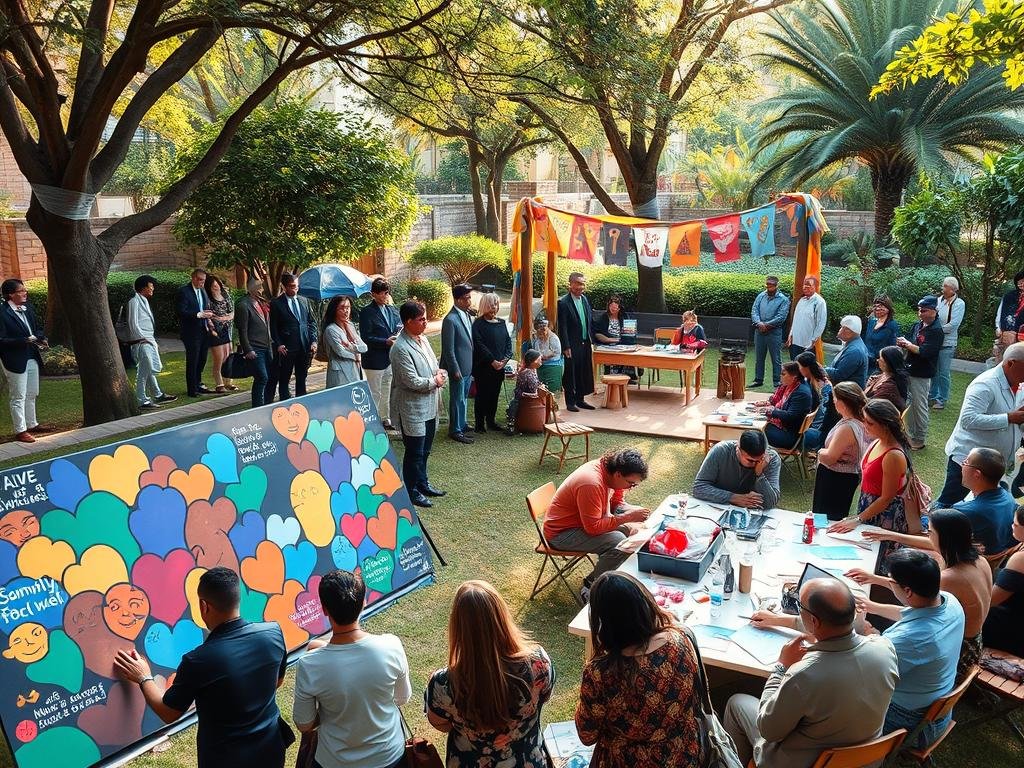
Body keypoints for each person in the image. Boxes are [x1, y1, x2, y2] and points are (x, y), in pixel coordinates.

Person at [113, 567, 291, 768]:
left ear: (203, 606)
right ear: (237, 598)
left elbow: (168, 713)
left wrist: (144, 677)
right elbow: (277, 681)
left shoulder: (198, 660)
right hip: (271, 751)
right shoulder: (273, 633)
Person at [723, 578, 898, 768]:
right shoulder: (885, 647)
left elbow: (768, 729)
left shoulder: (804, 675)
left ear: (814, 621)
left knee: (736, 703)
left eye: (800, 606)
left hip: (799, 762)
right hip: (863, 759)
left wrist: (782, 667)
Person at [576, 572, 704, 767]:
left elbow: (587, 734)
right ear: (644, 604)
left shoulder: (600, 673)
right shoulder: (680, 640)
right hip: (683, 756)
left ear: (604, 623)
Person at [850, 509, 992, 680]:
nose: (927, 535)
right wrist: (892, 536)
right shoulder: (979, 560)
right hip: (974, 640)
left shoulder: (948, 578)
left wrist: (871, 621)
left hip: (958, 650)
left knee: (865, 632)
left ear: (944, 538)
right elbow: (916, 591)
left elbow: (916, 601)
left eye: (930, 532)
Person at [426, 581, 554, 768]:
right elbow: (544, 697)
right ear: (502, 616)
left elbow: (439, 723)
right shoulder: (539, 663)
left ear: (457, 626)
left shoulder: (443, 683)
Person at [292, 569, 411, 768]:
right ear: (363, 602)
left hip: (334, 761)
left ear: (324, 609)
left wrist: (329, 710)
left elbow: (304, 724)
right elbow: (402, 698)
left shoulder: (310, 665)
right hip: (390, 757)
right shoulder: (392, 646)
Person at [872, 550, 965, 749]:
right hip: (934, 712)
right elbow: (910, 614)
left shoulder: (910, 640)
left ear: (908, 591)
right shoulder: (949, 601)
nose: (889, 584)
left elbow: (866, 674)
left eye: (891, 581)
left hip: (906, 723)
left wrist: (868, 635)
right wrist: (870, 606)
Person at [543, 448, 652, 602]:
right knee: (618, 542)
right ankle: (593, 587)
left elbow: (616, 504)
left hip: (584, 522)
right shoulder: (591, 483)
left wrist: (634, 516)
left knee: (635, 532)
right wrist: (628, 517)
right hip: (562, 534)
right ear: (618, 474)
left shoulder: (611, 474)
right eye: (630, 484)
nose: (630, 488)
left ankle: (614, 577)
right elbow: (593, 527)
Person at [934, 342, 1024, 507]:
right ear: (1011, 363)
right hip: (968, 461)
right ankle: (931, 529)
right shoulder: (985, 384)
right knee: (948, 505)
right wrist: (1009, 418)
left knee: (984, 506)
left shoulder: (1019, 385)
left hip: (994, 463)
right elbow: (968, 419)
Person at [827, 399, 911, 574]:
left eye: (870, 423)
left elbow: (887, 498)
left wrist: (858, 519)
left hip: (884, 515)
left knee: (880, 561)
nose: (865, 425)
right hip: (870, 507)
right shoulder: (877, 441)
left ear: (886, 425)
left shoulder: (893, 455)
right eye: (864, 420)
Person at [390, 300, 447, 508]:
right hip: (412, 408)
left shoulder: (422, 339)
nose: (425, 322)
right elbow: (411, 381)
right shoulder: (400, 348)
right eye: (421, 319)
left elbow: (434, 364)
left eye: (425, 318)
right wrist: (435, 381)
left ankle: (422, 483)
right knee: (414, 452)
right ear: (407, 322)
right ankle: (411, 491)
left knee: (425, 450)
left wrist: (440, 374)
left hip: (430, 405)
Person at [0, 279, 49, 442]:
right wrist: (23, 340)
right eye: (20, 291)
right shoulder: (2, 312)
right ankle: (20, 430)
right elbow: (2, 339)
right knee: (18, 395)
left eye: (24, 290)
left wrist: (41, 338)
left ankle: (32, 423)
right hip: (14, 359)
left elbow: (37, 328)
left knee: (32, 392)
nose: (24, 292)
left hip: (32, 355)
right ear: (10, 295)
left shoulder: (28, 308)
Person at [812, 382, 867, 521]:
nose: (833, 402)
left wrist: (820, 452)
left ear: (842, 402)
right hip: (844, 477)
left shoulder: (847, 428)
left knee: (826, 519)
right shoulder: (860, 421)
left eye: (835, 398)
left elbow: (830, 457)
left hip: (835, 478)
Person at [897, 295, 944, 450]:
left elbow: (924, 351)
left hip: (922, 372)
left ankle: (920, 438)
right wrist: (905, 344)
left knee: (919, 405)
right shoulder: (918, 325)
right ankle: (908, 433)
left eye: (924, 310)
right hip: (909, 368)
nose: (920, 313)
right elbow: (913, 344)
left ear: (934, 311)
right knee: (908, 403)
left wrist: (908, 344)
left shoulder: (937, 330)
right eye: (919, 310)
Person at [692, 430, 782, 510]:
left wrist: (759, 474)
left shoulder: (771, 458)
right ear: (738, 449)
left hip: (753, 511)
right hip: (719, 507)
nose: (755, 464)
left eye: (759, 460)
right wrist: (733, 497)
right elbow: (699, 488)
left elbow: (771, 502)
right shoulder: (720, 450)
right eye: (750, 460)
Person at [952, 447, 1018, 556]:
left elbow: (940, 540)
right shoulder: (1008, 497)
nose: (962, 465)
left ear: (977, 474)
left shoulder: (966, 511)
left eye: (966, 462)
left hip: (973, 560)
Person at [126, 274, 177, 410]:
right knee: (143, 371)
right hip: (142, 341)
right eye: (151, 286)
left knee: (148, 369)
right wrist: (142, 338)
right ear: (143, 287)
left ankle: (158, 394)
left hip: (148, 340)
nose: (153, 288)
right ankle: (142, 400)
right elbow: (133, 323)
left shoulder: (143, 300)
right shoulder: (134, 302)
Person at [359, 278, 403, 429]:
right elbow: (366, 337)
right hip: (374, 359)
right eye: (382, 293)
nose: (385, 296)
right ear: (373, 294)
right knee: (375, 391)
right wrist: (385, 341)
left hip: (389, 357)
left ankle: (385, 418)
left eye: (386, 293)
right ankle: (372, 420)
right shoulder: (366, 312)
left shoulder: (392, 310)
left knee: (386, 389)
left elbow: (398, 326)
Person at [982, 504, 1024, 655]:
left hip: (1014, 627)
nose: (1011, 526)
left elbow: (990, 600)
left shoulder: (1021, 559)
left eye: (1015, 524)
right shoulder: (1021, 544)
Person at [270, 272, 318, 401]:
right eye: (291, 286)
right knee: (284, 377)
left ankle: (302, 401)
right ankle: (285, 402)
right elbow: (273, 327)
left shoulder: (304, 301)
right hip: (287, 347)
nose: (295, 289)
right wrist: (279, 344)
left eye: (296, 286)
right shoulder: (276, 303)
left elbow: (311, 322)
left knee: (302, 376)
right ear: (284, 287)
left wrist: (313, 341)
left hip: (304, 345)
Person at [472, 292, 513, 433]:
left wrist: (505, 359)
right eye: (491, 305)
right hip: (484, 367)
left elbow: (508, 343)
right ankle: (479, 424)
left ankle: (491, 421)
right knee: (482, 395)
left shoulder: (501, 322)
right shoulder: (478, 323)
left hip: (499, 367)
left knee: (494, 395)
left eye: (496, 304)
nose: (494, 307)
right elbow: (479, 344)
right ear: (484, 306)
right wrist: (492, 361)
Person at [440, 284, 475, 444]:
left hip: (467, 365)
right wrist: (454, 369)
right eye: (467, 298)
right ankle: (455, 429)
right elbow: (448, 348)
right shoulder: (450, 319)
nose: (470, 301)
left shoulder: (466, 314)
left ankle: (462, 423)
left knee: (464, 397)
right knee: (457, 399)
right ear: (458, 299)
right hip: (458, 367)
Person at [236, 277, 278, 408]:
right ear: (251, 289)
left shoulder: (260, 302)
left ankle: (268, 404)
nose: (261, 290)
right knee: (262, 377)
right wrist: (248, 349)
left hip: (267, 346)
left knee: (271, 376)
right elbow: (242, 330)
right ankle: (258, 407)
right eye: (259, 287)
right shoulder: (243, 305)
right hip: (255, 348)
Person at [753, 361, 814, 449]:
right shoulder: (790, 386)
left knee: (754, 428)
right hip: (784, 428)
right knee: (756, 422)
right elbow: (777, 400)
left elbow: (790, 415)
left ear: (794, 377)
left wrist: (770, 411)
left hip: (789, 436)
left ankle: (752, 456)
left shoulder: (801, 393)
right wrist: (766, 403)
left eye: (783, 374)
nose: (780, 376)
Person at [557, 271, 595, 411]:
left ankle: (580, 399)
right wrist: (566, 346)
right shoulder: (563, 302)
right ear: (571, 284)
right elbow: (563, 326)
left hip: (585, 342)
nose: (581, 287)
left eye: (583, 284)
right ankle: (570, 402)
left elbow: (588, 320)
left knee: (582, 371)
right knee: (570, 373)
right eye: (578, 283)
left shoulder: (584, 299)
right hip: (572, 344)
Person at [176, 267, 216, 397]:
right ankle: (192, 389)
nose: (202, 283)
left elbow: (204, 307)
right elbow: (181, 311)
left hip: (203, 330)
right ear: (193, 278)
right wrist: (199, 314)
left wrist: (208, 319)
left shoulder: (203, 291)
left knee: (202, 358)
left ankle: (198, 383)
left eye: (204, 281)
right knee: (193, 360)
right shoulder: (184, 291)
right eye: (200, 280)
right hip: (191, 332)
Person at [930, 277, 965, 410]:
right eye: (943, 285)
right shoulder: (939, 300)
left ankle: (941, 399)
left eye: (945, 286)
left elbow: (953, 325)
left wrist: (934, 330)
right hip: (935, 341)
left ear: (953, 289)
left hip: (947, 343)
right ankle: (932, 396)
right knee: (934, 371)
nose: (942, 288)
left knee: (943, 372)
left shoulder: (959, 304)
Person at [750, 275, 791, 388]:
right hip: (759, 331)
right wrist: (759, 323)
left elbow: (781, 316)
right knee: (759, 357)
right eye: (767, 285)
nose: (769, 287)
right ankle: (758, 379)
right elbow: (754, 311)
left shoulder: (783, 299)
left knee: (776, 358)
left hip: (774, 332)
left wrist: (767, 325)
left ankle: (777, 381)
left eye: (771, 285)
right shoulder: (761, 296)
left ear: (777, 286)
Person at [321, 295, 367, 388]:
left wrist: (350, 346)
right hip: (340, 371)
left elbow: (364, 347)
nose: (346, 311)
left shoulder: (350, 325)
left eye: (348, 307)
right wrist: (356, 355)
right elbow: (341, 352)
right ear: (334, 310)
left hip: (356, 369)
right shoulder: (331, 329)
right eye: (342, 308)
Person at [205, 274, 237, 393]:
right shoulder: (208, 299)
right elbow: (209, 315)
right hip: (215, 331)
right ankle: (219, 383)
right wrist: (218, 319)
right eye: (213, 287)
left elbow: (231, 312)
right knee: (219, 357)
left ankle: (228, 381)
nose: (216, 288)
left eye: (217, 286)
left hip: (226, 330)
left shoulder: (226, 296)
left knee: (229, 356)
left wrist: (225, 318)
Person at [796, 351, 831, 450]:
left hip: (814, 432)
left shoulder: (815, 387)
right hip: (820, 429)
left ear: (806, 368)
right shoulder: (821, 380)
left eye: (799, 366)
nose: (798, 370)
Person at [786, 275, 826, 360]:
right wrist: (791, 334)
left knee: (805, 369)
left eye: (809, 285)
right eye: (804, 284)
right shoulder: (801, 300)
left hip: (807, 343)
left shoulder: (819, 302)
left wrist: (813, 339)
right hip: (795, 341)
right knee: (795, 366)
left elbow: (821, 323)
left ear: (815, 287)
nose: (806, 287)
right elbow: (796, 319)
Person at [825, 315, 868, 389]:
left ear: (850, 331)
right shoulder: (852, 344)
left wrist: (821, 369)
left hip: (848, 393)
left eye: (843, 328)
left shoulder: (854, 351)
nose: (840, 330)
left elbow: (838, 375)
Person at [864, 345, 909, 412]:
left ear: (887, 363)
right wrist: (869, 384)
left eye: (880, 359)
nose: (877, 360)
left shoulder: (889, 387)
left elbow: (868, 405)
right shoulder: (881, 375)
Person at [506, 350, 542, 433]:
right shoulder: (529, 373)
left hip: (519, 399)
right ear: (533, 361)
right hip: (525, 401)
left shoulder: (528, 370)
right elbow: (533, 389)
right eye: (539, 359)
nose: (541, 361)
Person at [864, 295, 900, 375]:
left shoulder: (892, 325)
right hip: (866, 363)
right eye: (875, 306)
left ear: (888, 308)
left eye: (881, 306)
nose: (877, 308)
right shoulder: (871, 322)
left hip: (880, 367)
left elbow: (892, 348)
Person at [994, 269, 1024, 362]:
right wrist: (998, 327)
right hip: (1006, 334)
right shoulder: (1009, 296)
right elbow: (1000, 312)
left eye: (1023, 282)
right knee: (1004, 361)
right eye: (1019, 282)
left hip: (1021, 338)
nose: (1021, 284)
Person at [528, 316, 563, 394]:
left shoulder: (553, 338)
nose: (541, 332)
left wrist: (545, 356)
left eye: (543, 329)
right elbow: (536, 351)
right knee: (541, 389)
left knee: (551, 391)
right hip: (540, 366)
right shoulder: (537, 340)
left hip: (552, 366)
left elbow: (556, 352)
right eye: (538, 329)